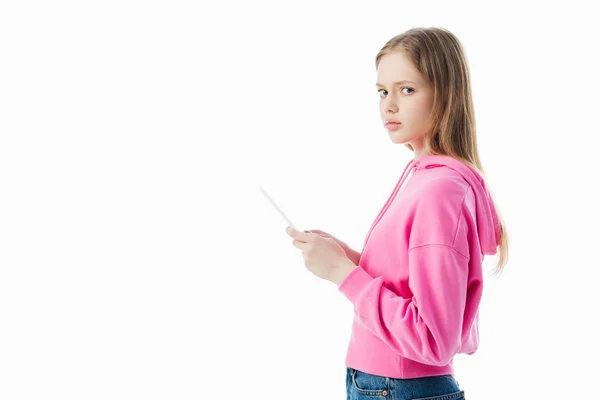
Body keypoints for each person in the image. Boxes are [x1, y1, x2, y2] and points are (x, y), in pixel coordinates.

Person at [285, 26, 509, 400]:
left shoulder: (440, 191)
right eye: (382, 91)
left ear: (445, 93)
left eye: (406, 89)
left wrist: (343, 274)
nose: (389, 104)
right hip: (388, 385)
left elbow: (432, 339)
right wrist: (348, 259)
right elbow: (408, 284)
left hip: (401, 388)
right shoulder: (424, 179)